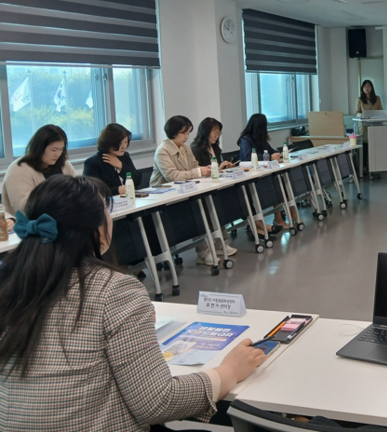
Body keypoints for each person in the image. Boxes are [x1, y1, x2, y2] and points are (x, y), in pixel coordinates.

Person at [0, 176, 266, 431]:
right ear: (96, 230)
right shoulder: (114, 290)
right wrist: (228, 371)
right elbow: (158, 402)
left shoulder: (11, 284)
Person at [151, 115, 236, 264]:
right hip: (165, 196)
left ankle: (218, 243)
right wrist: (198, 172)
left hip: (184, 190)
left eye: (188, 132)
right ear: (173, 132)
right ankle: (203, 252)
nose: (187, 136)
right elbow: (172, 176)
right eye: (183, 133)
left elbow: (194, 166)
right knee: (199, 210)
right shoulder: (163, 150)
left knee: (209, 205)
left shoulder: (185, 148)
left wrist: (206, 169)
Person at [2, 124, 77, 232]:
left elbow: (79, 189)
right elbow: (24, 208)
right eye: (54, 150)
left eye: (61, 149)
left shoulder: (63, 164)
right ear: (40, 148)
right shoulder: (19, 169)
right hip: (31, 230)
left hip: (65, 223)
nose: (57, 154)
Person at [237, 114, 290, 231]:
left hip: (262, 172)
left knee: (278, 183)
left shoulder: (261, 138)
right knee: (273, 184)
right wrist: (269, 157)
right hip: (249, 175)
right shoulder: (245, 139)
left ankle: (278, 217)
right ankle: (260, 224)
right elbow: (248, 158)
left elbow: (270, 151)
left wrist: (276, 154)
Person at [83, 123, 142, 196]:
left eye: (125, 142)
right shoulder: (93, 163)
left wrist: (121, 166)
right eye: (119, 143)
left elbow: (138, 180)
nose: (123, 146)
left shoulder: (125, 156)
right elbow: (93, 190)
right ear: (109, 143)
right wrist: (117, 190)